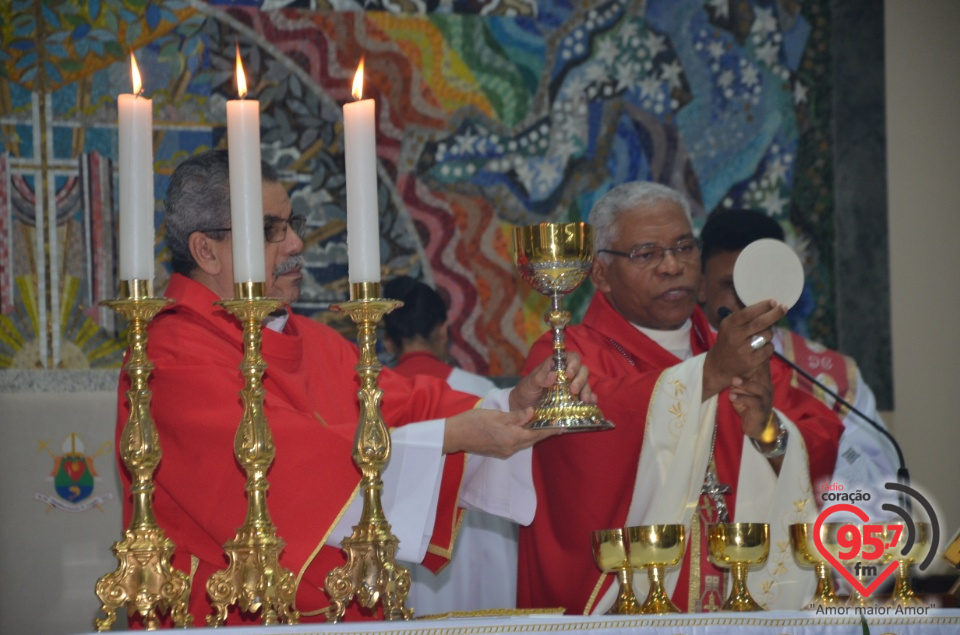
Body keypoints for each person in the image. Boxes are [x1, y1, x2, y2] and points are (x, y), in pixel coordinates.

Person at [115, 149, 593, 626]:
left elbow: (411, 407)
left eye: (292, 223)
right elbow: (284, 464)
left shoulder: (317, 343)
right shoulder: (169, 355)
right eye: (269, 230)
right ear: (206, 250)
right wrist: (456, 437)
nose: (297, 243)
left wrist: (517, 403)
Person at [517, 182, 844, 614]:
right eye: (646, 254)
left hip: (739, 609)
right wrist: (707, 375)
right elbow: (581, 446)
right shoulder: (569, 355)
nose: (672, 266)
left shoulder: (737, 353)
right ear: (600, 275)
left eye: (684, 247)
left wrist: (767, 429)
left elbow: (819, 445)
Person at [697, 207, 898, 510]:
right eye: (731, 285)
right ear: (701, 286)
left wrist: (811, 451)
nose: (747, 301)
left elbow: (880, 486)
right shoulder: (678, 364)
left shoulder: (832, 377)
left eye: (758, 285)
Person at [382, 275, 518, 614]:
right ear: (443, 330)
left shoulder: (375, 399)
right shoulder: (481, 391)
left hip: (402, 555)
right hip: (479, 548)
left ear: (386, 342)